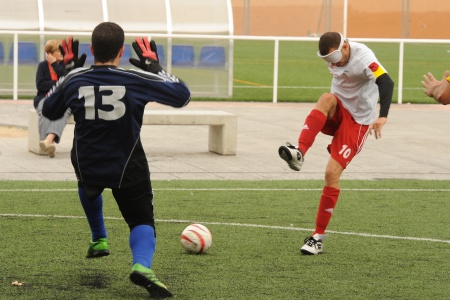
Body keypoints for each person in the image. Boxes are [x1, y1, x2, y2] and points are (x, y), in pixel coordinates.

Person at [42, 22, 191, 297]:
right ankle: (142, 266)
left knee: (87, 182)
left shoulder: (76, 79)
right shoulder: (136, 80)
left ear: (91, 49)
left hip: (87, 162)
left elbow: (49, 110)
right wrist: (155, 68)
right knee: (141, 220)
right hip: (127, 163)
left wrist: (66, 73)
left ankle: (99, 237)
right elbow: (183, 96)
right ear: (121, 51)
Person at [278, 32, 394, 255]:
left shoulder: (364, 58)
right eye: (328, 61)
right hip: (337, 110)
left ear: (346, 46)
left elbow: (386, 81)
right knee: (326, 98)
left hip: (357, 122)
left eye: (336, 58)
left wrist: (383, 115)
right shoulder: (335, 56)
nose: (334, 64)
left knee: (331, 173)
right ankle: (299, 152)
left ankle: (317, 237)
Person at [34, 39, 72, 158]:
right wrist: (57, 83)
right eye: (58, 50)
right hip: (44, 98)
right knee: (44, 109)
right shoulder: (42, 66)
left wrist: (55, 64)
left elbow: (67, 80)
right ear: (49, 53)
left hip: (62, 99)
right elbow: (40, 85)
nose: (62, 52)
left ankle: (47, 140)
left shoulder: (64, 65)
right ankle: (49, 142)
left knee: (63, 111)